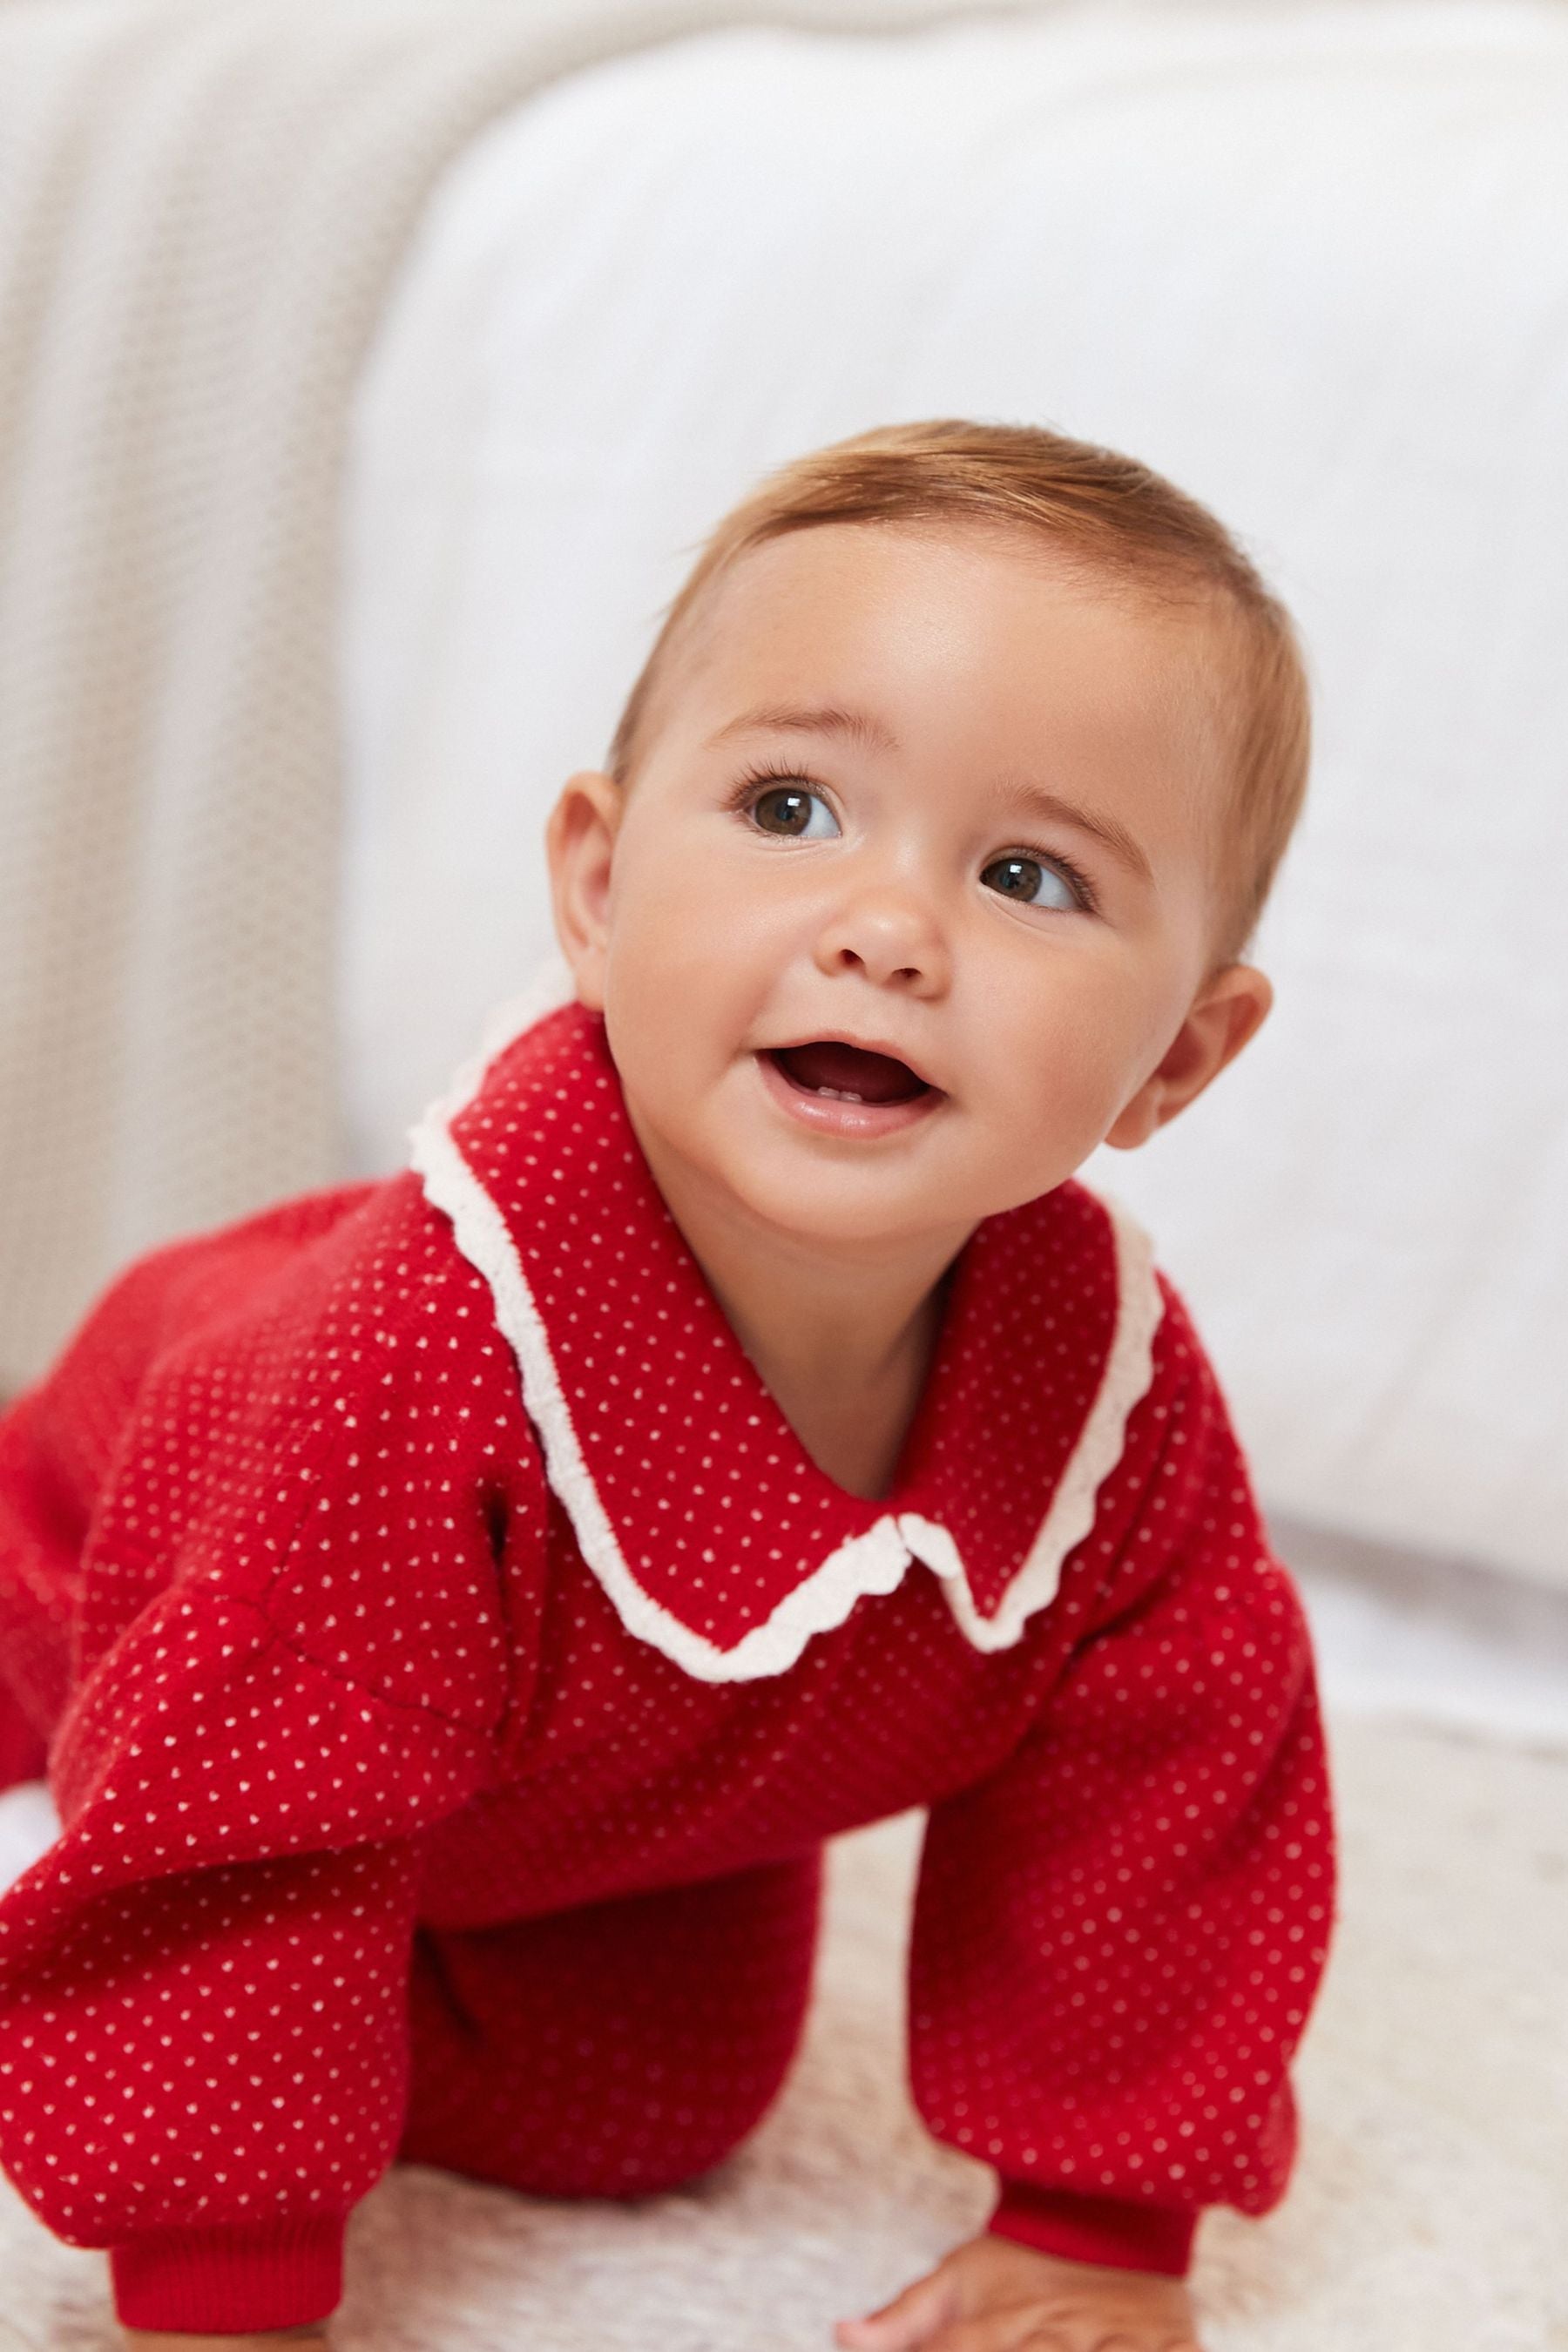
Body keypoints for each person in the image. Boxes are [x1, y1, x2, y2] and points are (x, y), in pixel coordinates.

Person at [0, 419, 1335, 2352]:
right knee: (178, 1799)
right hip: (145, 1554)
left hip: (587, 1784)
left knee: (650, 2108)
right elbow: (238, 1821)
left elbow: (1179, 1777)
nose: (889, 929)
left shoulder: (1104, 1403)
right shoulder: (402, 1368)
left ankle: (391, 1928)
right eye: (793, 808)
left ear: (1178, 1061)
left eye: (1032, 874)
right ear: (602, 887)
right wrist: (229, 2289)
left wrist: (1098, 2223)